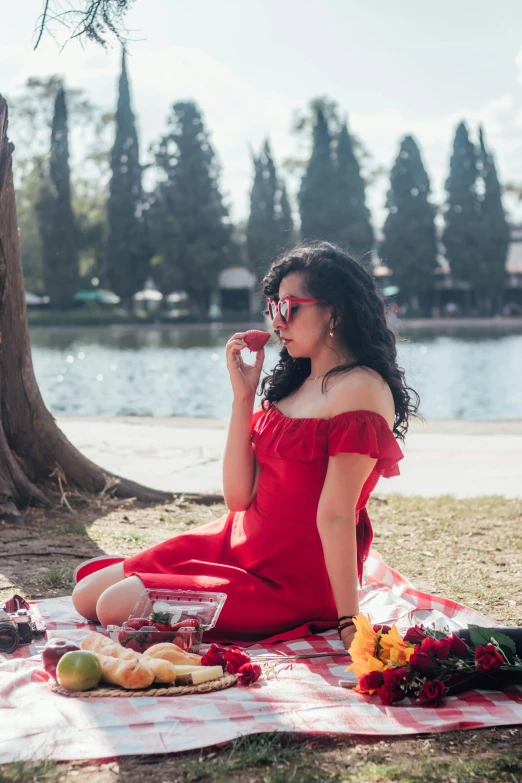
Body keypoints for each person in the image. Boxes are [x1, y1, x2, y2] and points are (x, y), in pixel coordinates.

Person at [72, 242, 420, 650]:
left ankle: (321, 610)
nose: (277, 323)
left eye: (289, 308)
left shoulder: (360, 388)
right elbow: (238, 498)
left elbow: (337, 515)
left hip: (290, 579)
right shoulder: (295, 382)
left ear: (334, 311)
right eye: (274, 308)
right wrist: (243, 397)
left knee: (115, 606)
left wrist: (348, 621)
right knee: (85, 596)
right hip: (236, 543)